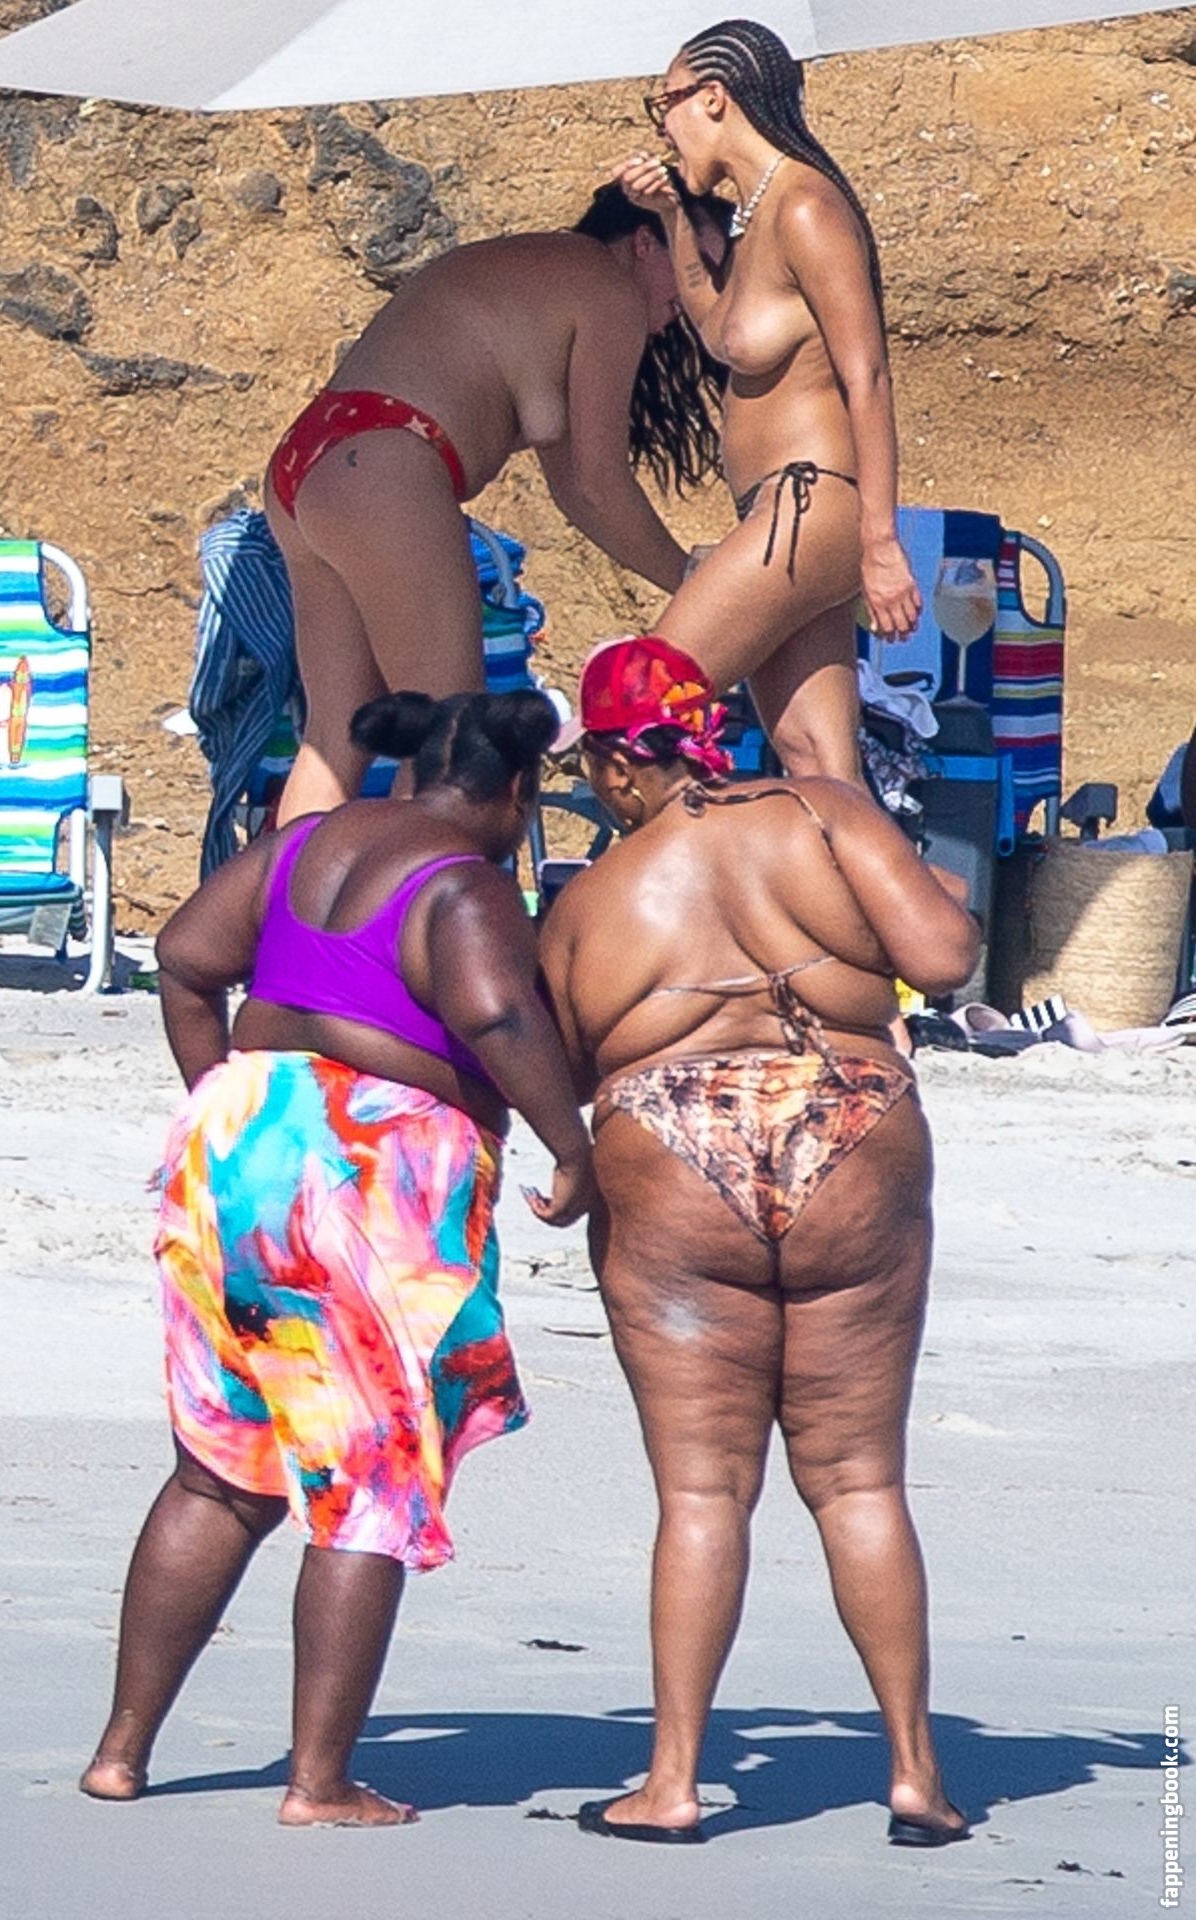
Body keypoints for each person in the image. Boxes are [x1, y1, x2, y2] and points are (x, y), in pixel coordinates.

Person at [82, 690, 593, 1828]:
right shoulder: (464, 880)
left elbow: (182, 959)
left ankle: (121, 1751)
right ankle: (318, 1783)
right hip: (371, 1169)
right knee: (369, 1476)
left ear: (413, 768)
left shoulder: (302, 841)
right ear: (513, 791)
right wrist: (571, 1148)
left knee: (218, 1469)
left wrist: (232, 1100)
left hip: (237, 1139)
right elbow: (498, 1017)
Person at [540, 637, 979, 1846]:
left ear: (620, 762)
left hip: (669, 1144)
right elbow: (944, 960)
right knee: (859, 1479)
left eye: (592, 773)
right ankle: (914, 1774)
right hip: (849, 1119)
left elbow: (557, 1069)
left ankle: (671, 1782)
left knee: (700, 1489)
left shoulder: (589, 900)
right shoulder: (821, 813)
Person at [265, 183, 731, 820]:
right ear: (647, 242)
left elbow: (578, 492)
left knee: (335, 736)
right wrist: (693, 580)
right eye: (698, 263)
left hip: (315, 462)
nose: (705, 291)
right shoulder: (609, 290)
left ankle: (294, 888)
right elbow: (599, 483)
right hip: (384, 462)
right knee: (448, 737)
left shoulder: (551, 279)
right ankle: (409, 887)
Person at [614, 18, 921, 786]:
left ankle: (688, 865)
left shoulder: (806, 208)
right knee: (819, 767)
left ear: (713, 98)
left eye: (664, 105)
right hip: (781, 510)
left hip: (809, 504)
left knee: (638, 706)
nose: (663, 129)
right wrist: (672, 217)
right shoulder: (757, 215)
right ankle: (874, 872)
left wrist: (881, 541)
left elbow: (867, 375)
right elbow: (718, 327)